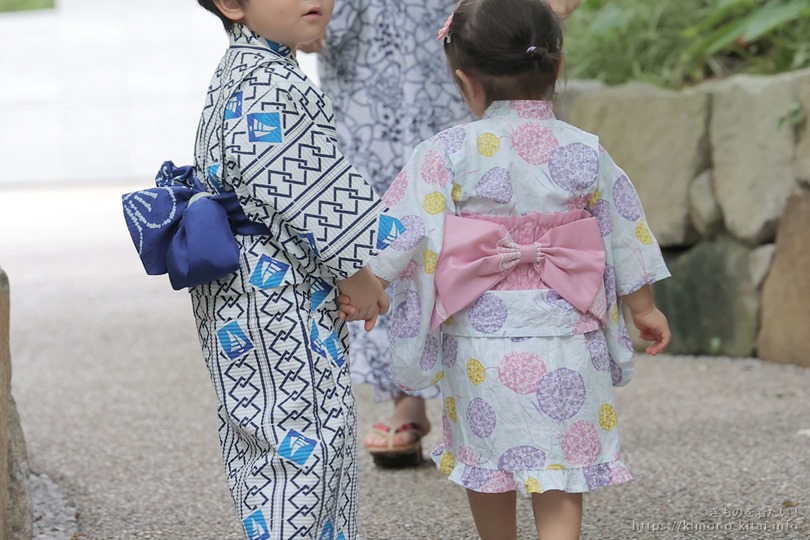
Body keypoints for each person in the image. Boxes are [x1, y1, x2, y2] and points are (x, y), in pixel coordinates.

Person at [340, 0, 671, 538]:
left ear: (465, 81)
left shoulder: (445, 152)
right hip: (569, 337)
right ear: (557, 67)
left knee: (487, 464)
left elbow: (401, 227)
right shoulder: (586, 151)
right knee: (563, 468)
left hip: (480, 343)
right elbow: (624, 230)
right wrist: (644, 307)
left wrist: (372, 285)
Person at [300, 0, 583, 468]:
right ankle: (406, 394)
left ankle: (493, 381)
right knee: (389, 202)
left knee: (479, 192)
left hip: (461, 34)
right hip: (372, 59)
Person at [143, 1, 389, 538]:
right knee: (305, 442)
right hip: (275, 295)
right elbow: (305, 195)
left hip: (239, 295)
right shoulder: (272, 85)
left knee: (264, 437)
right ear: (233, 3)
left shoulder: (241, 70)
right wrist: (358, 277)